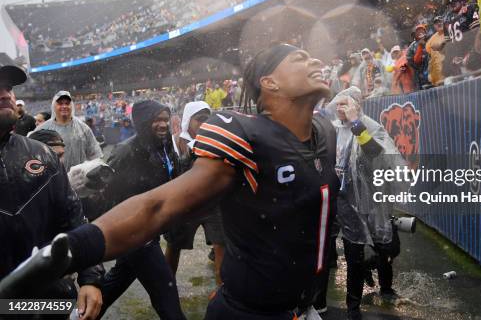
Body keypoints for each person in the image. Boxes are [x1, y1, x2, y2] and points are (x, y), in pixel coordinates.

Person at [12, 44, 340, 320]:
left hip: (303, 308)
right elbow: (158, 205)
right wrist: (76, 249)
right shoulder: (243, 134)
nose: (314, 61)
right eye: (299, 58)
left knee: (128, 280)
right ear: (270, 83)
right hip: (250, 311)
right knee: (157, 289)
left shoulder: (325, 132)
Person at [0, 63, 104, 320]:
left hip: (48, 299)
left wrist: (90, 277)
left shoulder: (40, 153)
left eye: (9, 88)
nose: (5, 94)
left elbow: (73, 217)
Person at [98, 100, 185, 319]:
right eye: (157, 119)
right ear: (144, 122)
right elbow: (106, 193)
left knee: (113, 285)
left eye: (165, 119)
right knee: (167, 297)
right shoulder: (126, 150)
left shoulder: (164, 146)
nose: (163, 124)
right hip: (136, 233)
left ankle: (80, 314)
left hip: (149, 231)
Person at [323, 87, 404, 320]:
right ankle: (353, 307)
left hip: (372, 202)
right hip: (345, 203)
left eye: (344, 104)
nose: (340, 109)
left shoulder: (369, 126)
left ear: (357, 106)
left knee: (383, 246)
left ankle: (386, 288)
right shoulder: (334, 130)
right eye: (337, 104)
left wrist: (356, 124)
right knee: (353, 254)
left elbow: (377, 156)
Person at [165, 101, 226, 290]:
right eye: (199, 119)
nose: (203, 123)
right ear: (188, 120)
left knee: (220, 246)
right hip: (184, 204)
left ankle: (223, 293)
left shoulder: (216, 140)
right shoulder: (175, 142)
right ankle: (166, 288)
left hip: (212, 203)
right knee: (174, 246)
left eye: (207, 119)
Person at [35, 91, 103, 172]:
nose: (64, 106)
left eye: (67, 103)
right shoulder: (42, 129)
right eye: (60, 103)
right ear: (54, 106)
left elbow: (95, 155)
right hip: (53, 180)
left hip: (79, 180)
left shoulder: (83, 128)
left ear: (72, 106)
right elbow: (34, 158)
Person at [440, 0, 481, 77]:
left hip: (472, 54)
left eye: (453, 0)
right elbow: (449, 44)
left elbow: (478, 31)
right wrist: (450, 59)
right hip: (457, 60)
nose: (451, 4)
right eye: (448, 3)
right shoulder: (446, 19)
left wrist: (475, 53)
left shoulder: (469, 8)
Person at [406, 24, 429, 89]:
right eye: (418, 31)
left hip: (432, 72)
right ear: (415, 34)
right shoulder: (412, 47)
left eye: (422, 30)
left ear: (425, 32)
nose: (420, 32)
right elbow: (412, 62)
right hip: (419, 77)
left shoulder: (431, 40)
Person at [425, 16, 446, 85]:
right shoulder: (430, 41)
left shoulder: (450, 32)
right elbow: (430, 59)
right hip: (438, 77)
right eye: (436, 23)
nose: (439, 24)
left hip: (450, 72)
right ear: (434, 26)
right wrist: (430, 74)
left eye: (440, 21)